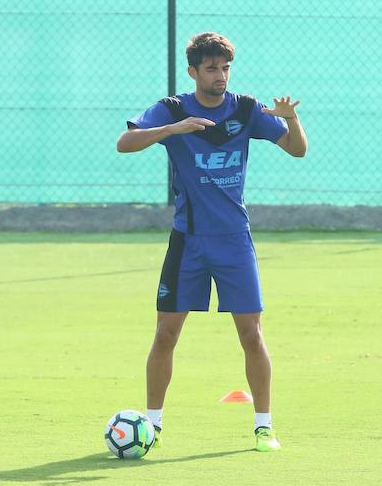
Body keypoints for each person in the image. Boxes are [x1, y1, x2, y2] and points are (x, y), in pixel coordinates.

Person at [117, 32, 308, 452]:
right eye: (211, 69)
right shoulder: (170, 109)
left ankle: (264, 426)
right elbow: (124, 143)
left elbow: (297, 151)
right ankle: (152, 427)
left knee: (252, 334)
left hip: (234, 241)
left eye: (225, 68)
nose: (220, 76)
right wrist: (173, 129)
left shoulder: (244, 108)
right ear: (193, 72)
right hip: (187, 241)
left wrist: (291, 119)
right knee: (166, 333)